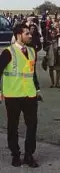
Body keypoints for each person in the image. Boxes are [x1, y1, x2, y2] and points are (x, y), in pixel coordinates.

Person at [0, 23, 39, 167]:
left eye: (30, 33)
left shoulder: (32, 51)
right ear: (18, 35)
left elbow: (32, 73)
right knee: (13, 126)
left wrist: (37, 90)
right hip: (13, 95)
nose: (30, 36)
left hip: (29, 94)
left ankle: (29, 154)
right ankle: (15, 154)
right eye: (27, 33)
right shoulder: (8, 52)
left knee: (32, 125)